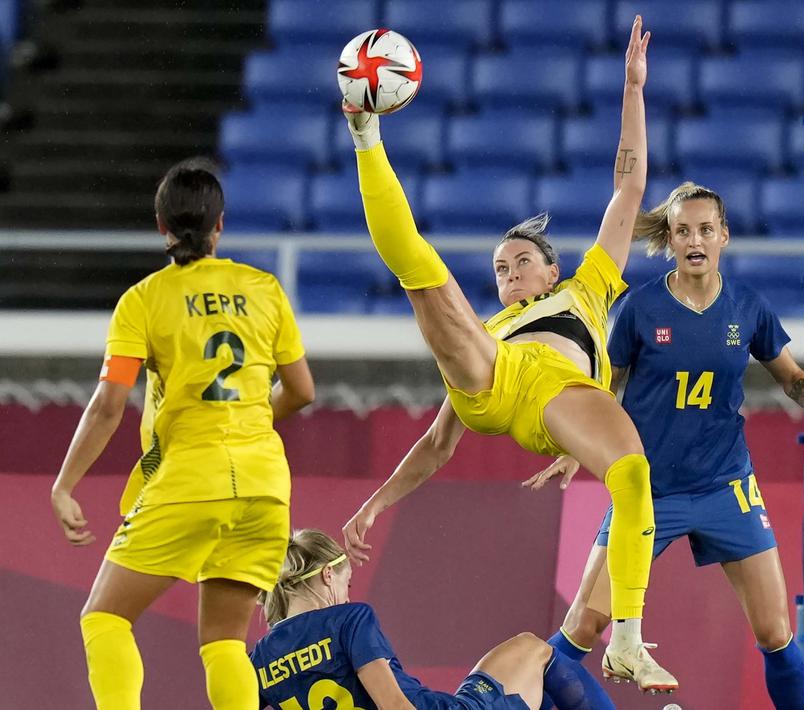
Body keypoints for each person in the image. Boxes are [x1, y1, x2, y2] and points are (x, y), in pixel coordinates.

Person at [338, 16, 675, 693]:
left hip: (560, 399)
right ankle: (364, 132)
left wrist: (633, 90)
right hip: (494, 385)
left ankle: (629, 641)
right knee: (425, 277)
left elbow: (629, 189)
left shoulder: (587, 288)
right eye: (498, 266)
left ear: (550, 273)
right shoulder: (491, 328)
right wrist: (374, 504)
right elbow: (437, 444)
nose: (509, 271)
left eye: (521, 261)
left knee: (635, 476)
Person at [522, 182, 804, 709]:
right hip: (648, 492)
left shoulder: (748, 308)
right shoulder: (639, 309)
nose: (695, 239)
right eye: (683, 231)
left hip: (727, 486)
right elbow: (601, 388)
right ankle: (517, 699)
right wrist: (575, 445)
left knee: (775, 632)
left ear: (724, 236)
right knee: (583, 626)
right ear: (670, 240)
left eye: (705, 230)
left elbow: (789, 378)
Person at [49, 158, 316, 710]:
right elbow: (303, 390)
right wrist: (250, 421)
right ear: (220, 226)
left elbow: (108, 405)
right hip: (267, 488)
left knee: (104, 616)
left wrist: (65, 484)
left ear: (161, 226)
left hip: (190, 479)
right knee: (224, 642)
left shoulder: (144, 301)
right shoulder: (263, 289)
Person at [251, 529, 615, 710]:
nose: (346, 594)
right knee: (533, 650)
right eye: (346, 581)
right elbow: (393, 704)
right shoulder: (347, 619)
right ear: (328, 576)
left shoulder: (257, 661)